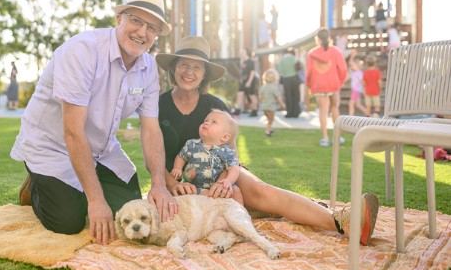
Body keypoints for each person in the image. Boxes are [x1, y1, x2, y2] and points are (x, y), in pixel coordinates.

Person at [156, 36, 379, 247]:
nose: (189, 72)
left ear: (204, 74)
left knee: (261, 191)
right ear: (173, 67)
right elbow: (153, 155)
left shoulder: (214, 105)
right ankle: (294, 208)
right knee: (263, 206)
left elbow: (232, 155)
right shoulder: (157, 105)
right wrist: (173, 184)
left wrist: (223, 182)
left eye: (197, 67)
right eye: (184, 65)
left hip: (223, 172)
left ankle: (342, 222)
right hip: (179, 179)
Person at [11, 0, 177, 245]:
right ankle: (35, 187)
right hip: (53, 146)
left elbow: (151, 129)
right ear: (119, 19)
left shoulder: (148, 67)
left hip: (101, 148)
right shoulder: (82, 51)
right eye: (136, 20)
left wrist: (158, 183)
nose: (142, 32)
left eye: (152, 28)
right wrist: (96, 200)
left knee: (126, 206)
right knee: (69, 220)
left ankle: (73, 186)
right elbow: (72, 132)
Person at [170, 109, 243, 205]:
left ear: (225, 137)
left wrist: (228, 181)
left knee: (236, 191)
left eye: (214, 122)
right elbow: (181, 157)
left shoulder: (226, 151)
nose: (207, 123)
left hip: (217, 186)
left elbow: (234, 167)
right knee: (190, 196)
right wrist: (177, 168)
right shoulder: (191, 144)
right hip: (195, 185)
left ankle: (240, 213)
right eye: (206, 121)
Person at [305, 28, 348, 147]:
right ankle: (337, 138)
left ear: (317, 39)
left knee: (323, 111)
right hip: (333, 84)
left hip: (319, 85)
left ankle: (324, 138)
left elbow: (308, 72)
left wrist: (310, 84)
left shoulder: (311, 53)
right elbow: (343, 69)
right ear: (329, 38)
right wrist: (340, 81)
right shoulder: (336, 51)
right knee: (335, 108)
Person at [233, 47, 259, 117]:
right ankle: (237, 110)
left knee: (252, 96)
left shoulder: (251, 61)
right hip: (243, 81)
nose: (241, 53)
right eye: (241, 52)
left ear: (247, 52)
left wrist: (249, 82)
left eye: (243, 51)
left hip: (249, 81)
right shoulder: (243, 62)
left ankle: (254, 111)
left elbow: (253, 72)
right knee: (239, 94)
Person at [276, 47, 301, 118]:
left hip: (286, 79)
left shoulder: (283, 59)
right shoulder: (295, 58)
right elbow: (302, 65)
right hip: (295, 78)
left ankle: (289, 113)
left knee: (288, 96)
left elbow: (279, 69)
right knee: (295, 96)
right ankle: (296, 113)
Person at [258, 68, 284, 137]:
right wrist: (282, 105)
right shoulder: (274, 87)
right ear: (274, 78)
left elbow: (260, 97)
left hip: (264, 107)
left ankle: (270, 130)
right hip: (271, 107)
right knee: (270, 121)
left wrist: (263, 102)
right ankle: (267, 132)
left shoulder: (263, 87)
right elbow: (278, 98)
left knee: (269, 119)